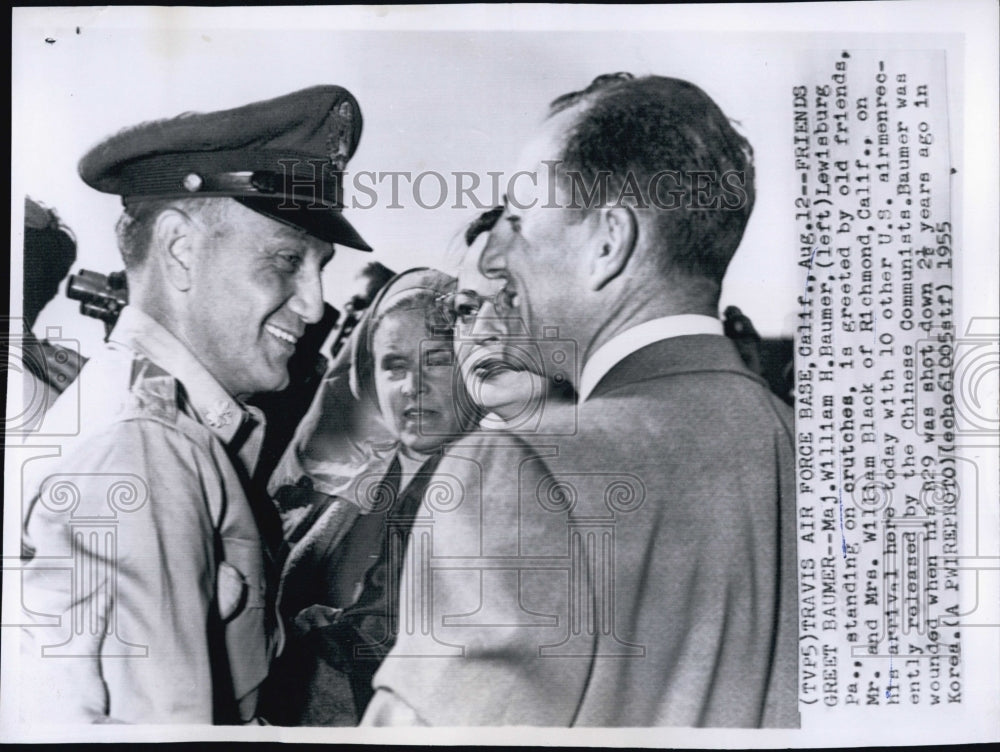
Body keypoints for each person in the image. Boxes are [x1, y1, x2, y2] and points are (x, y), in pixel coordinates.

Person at [364, 73, 797, 727]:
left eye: (520, 219)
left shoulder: (515, 467)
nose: (500, 253)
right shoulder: (808, 450)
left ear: (607, 244)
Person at [17, 85, 372, 724]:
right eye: (288, 260)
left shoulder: (174, 425)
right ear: (180, 249)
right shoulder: (150, 446)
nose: (316, 304)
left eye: (320, 267)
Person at [261, 269, 475, 725]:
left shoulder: (491, 497)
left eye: (437, 360)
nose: (412, 385)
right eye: (394, 365)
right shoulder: (348, 491)